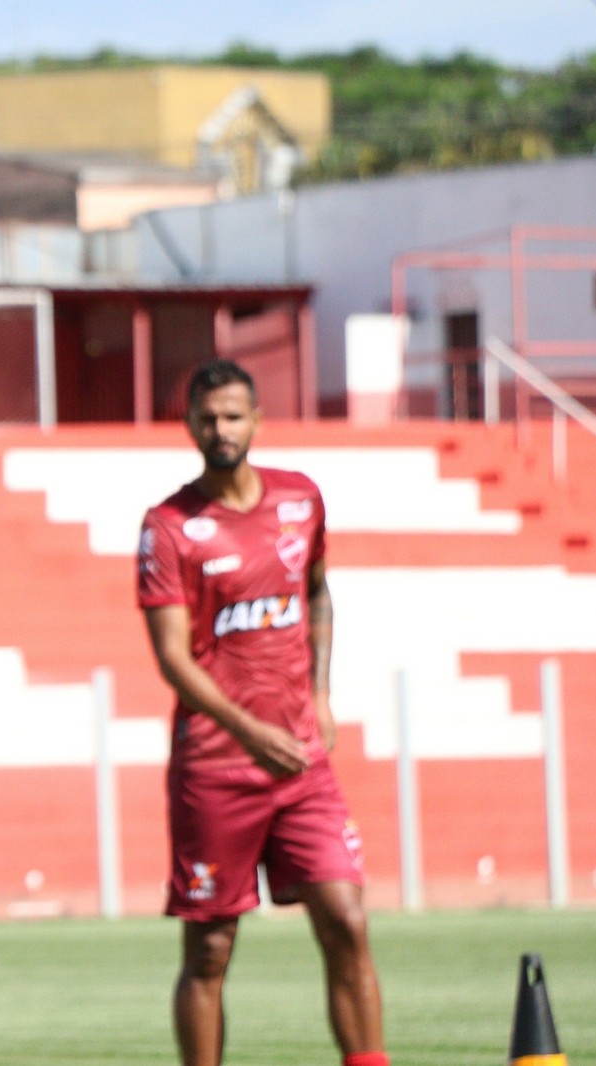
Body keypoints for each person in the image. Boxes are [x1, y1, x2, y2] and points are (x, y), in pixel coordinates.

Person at [137, 359, 388, 1066]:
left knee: (348, 920)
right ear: (189, 423)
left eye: (233, 415)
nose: (221, 429)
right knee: (211, 947)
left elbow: (315, 593)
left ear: (257, 420)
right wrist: (251, 733)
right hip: (216, 769)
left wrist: (320, 695)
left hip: (302, 763)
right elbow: (172, 659)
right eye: (208, 417)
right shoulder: (168, 526)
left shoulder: (301, 498)